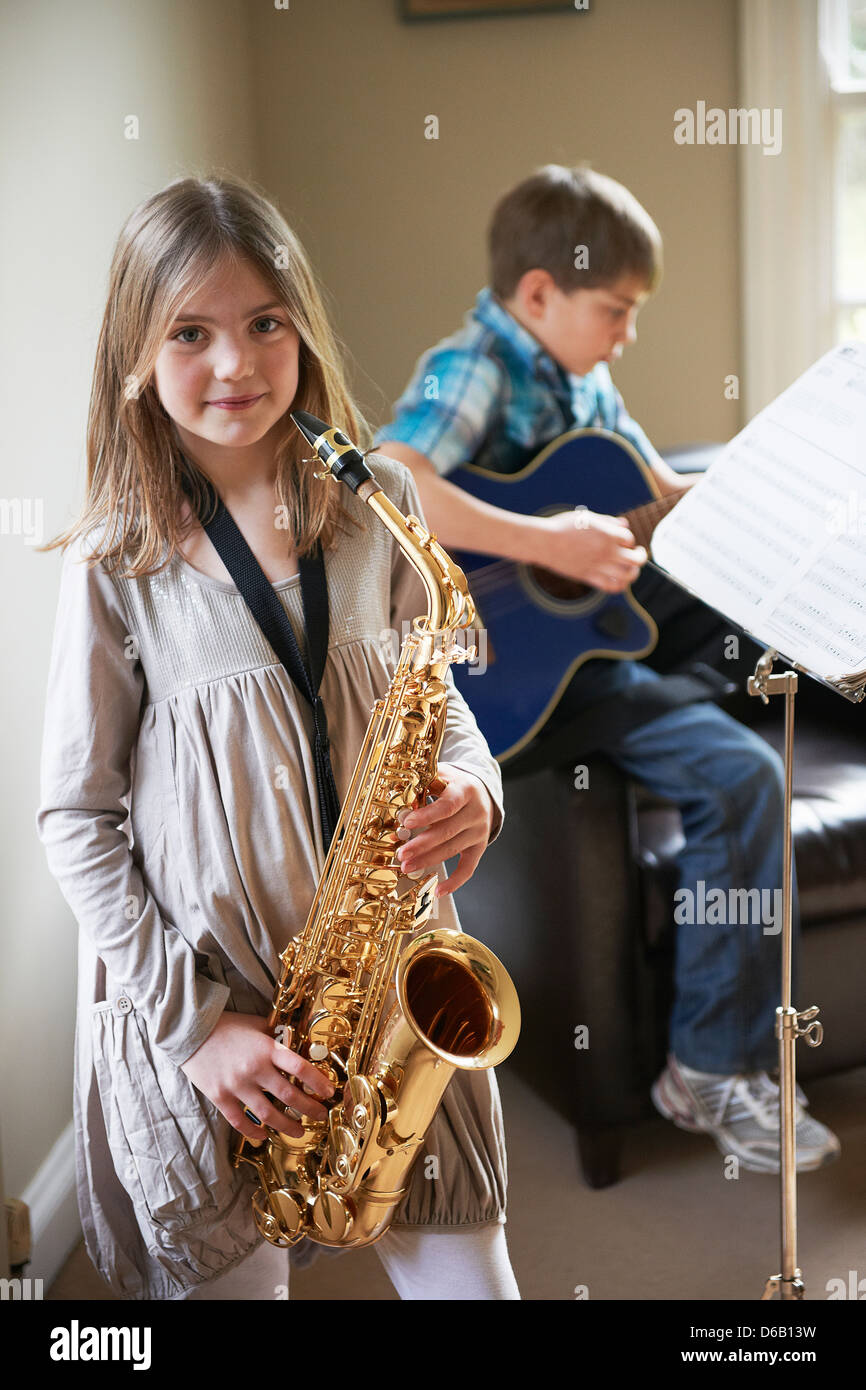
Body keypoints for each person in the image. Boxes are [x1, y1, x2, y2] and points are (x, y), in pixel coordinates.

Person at [35, 174, 520, 1301]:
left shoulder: (379, 501)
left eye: (265, 324)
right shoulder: (118, 561)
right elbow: (76, 816)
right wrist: (198, 1030)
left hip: (388, 980)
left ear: (301, 325)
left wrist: (472, 781)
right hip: (208, 1016)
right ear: (136, 358)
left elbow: (433, 692)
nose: (234, 366)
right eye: (189, 333)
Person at [373, 164, 840, 1175]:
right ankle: (708, 1068)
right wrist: (544, 545)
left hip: (594, 642)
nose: (627, 333)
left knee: (759, 596)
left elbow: (656, 489)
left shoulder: (581, 378)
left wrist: (759, 492)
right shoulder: (473, 366)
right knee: (744, 773)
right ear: (538, 293)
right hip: (510, 682)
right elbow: (392, 478)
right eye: (614, 310)